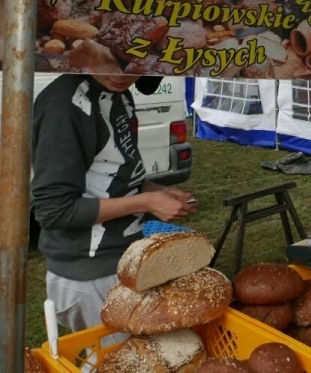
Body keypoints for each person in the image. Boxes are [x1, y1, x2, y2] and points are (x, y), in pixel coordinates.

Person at [31, 73, 199, 332]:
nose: (124, 75)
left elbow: (116, 173)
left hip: (124, 259)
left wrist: (158, 191)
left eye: (134, 67)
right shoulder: (64, 106)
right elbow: (55, 210)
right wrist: (147, 201)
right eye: (114, 63)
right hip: (88, 271)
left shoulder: (118, 91)